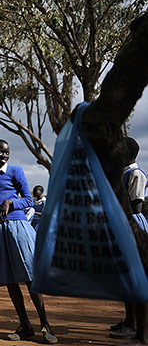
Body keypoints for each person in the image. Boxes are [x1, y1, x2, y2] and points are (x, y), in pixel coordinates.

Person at [0, 139, 57, 344]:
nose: (4, 155)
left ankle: (45, 325)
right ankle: (25, 325)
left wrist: (10, 202)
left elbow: (29, 200)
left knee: (30, 278)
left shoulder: (15, 171)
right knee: (10, 280)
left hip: (17, 228)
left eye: (7, 152)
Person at [109, 137, 148, 342]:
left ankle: (139, 329)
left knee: (135, 276)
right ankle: (129, 322)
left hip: (132, 224)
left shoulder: (135, 174)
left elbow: (136, 205)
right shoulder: (123, 173)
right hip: (122, 223)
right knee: (125, 277)